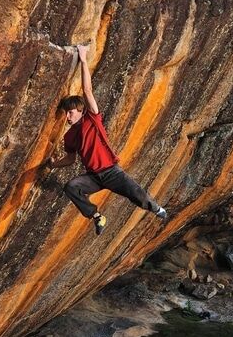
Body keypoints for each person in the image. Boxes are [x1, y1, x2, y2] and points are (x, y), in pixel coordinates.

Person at [47, 44, 167, 236]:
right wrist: (53, 165)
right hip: (93, 177)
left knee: (137, 194)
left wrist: (83, 60)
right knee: (71, 187)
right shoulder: (69, 136)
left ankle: (157, 209)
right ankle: (96, 216)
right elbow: (70, 159)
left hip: (112, 172)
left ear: (80, 110)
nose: (68, 117)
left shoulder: (92, 119)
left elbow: (87, 90)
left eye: (70, 112)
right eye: (66, 114)